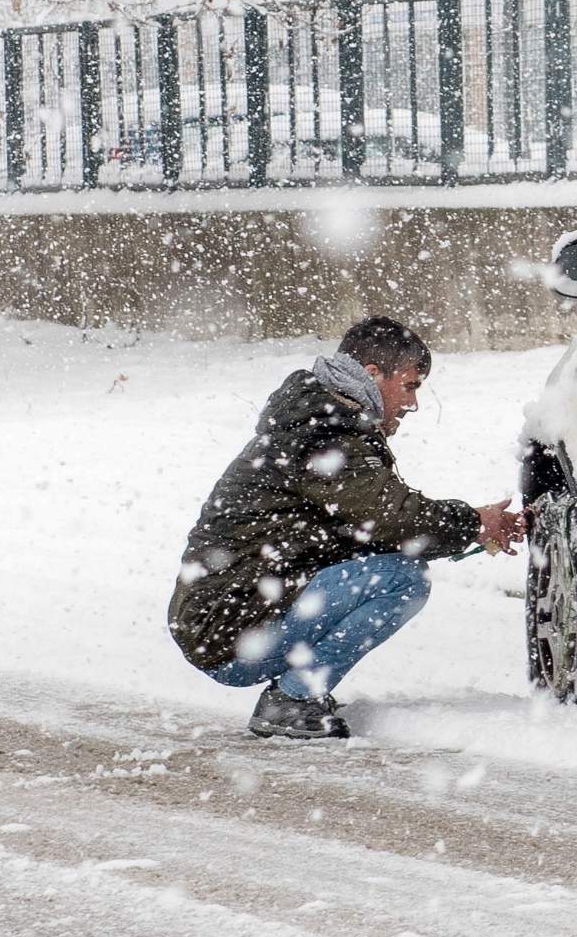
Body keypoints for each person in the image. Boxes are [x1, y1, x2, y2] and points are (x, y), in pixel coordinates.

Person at [169, 316, 527, 740]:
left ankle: (295, 693)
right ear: (372, 375)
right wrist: (473, 521)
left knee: (387, 562)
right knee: (401, 579)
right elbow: (393, 517)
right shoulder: (321, 432)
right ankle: (293, 700)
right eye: (409, 386)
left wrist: (470, 528)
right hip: (229, 636)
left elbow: (376, 528)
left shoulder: (319, 420)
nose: (412, 404)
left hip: (226, 626)